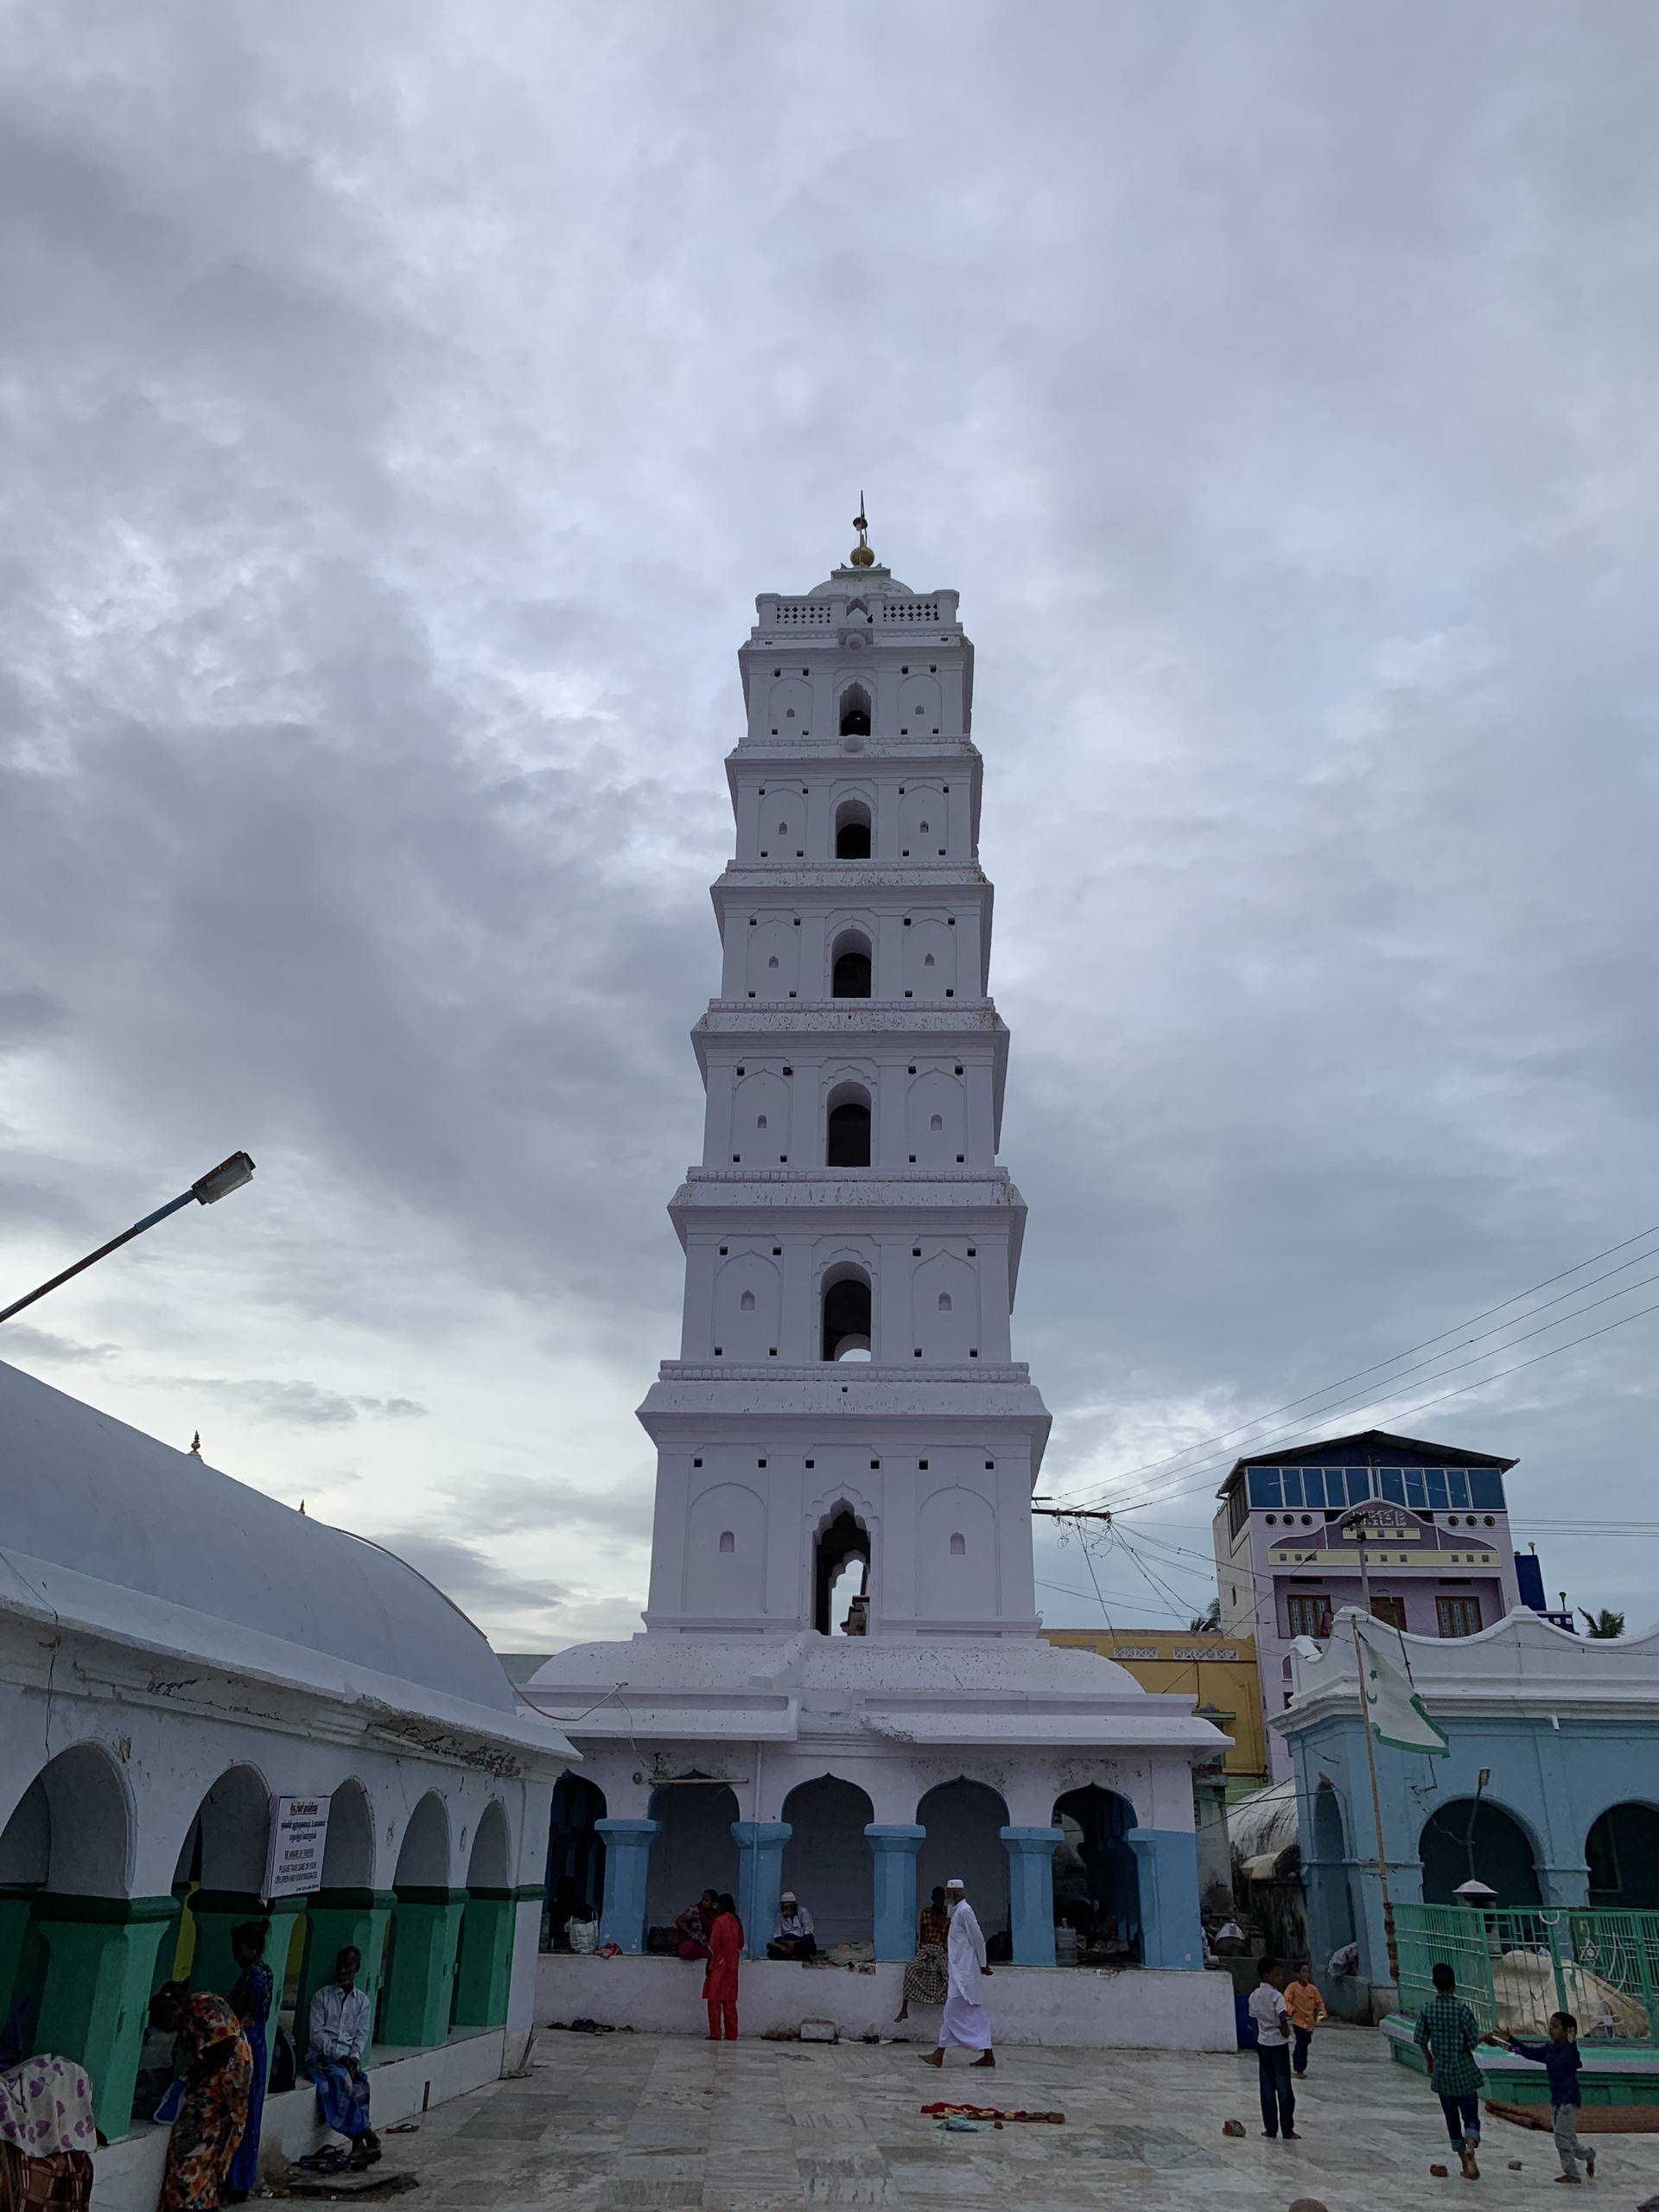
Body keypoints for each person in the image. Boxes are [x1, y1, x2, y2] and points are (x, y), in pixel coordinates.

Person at [148, 1981, 255, 2212]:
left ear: (173, 2010)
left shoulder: (202, 2005)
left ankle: (193, 2200)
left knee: (197, 2139)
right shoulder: (188, 2018)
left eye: (166, 2024)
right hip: (219, 2082)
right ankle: (201, 2200)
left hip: (227, 2081)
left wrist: (196, 2076)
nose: (168, 2031)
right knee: (205, 2141)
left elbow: (226, 2043)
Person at [1414, 1961, 1502, 2181]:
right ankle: (1472, 2143)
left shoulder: (1427, 2010)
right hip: (1464, 2072)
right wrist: (1485, 2037)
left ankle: (1465, 2162)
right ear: (1454, 1985)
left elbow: (1420, 2039)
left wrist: (1429, 2059)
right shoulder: (1462, 2010)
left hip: (1443, 2074)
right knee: (1471, 2116)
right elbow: (1472, 2041)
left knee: (1452, 2119)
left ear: (1435, 1984)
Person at [306, 1947, 380, 2165]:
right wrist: (340, 2057)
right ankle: (362, 2134)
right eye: (341, 1965)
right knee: (340, 2079)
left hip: (348, 2058)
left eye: (349, 1966)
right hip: (322, 2056)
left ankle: (359, 2142)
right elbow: (316, 2034)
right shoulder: (322, 1997)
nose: (343, 1970)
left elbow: (361, 2035)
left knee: (361, 2083)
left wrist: (354, 2058)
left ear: (357, 1968)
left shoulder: (362, 2002)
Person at [1500, 2012, 1593, 2184]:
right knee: (1569, 2138)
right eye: (1551, 2026)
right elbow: (1529, 2052)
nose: (1551, 2029)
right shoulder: (1549, 2050)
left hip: (1570, 2101)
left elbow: (1573, 2060)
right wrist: (1511, 2040)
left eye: (1556, 2026)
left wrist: (1572, 2044)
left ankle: (1572, 2174)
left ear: (1568, 2031)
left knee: (1560, 2137)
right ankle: (1588, 2154)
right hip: (1556, 2101)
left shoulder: (1570, 2051)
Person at [223, 1920, 273, 2202]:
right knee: (250, 2115)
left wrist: (242, 2017)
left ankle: (236, 2182)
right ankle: (241, 2179)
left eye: (239, 1949)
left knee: (241, 2115)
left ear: (251, 1949)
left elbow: (256, 1994)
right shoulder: (264, 1970)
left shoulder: (254, 1976)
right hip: (257, 2048)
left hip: (247, 2050)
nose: (235, 1954)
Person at [921, 1878, 994, 2069]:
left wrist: (983, 1963)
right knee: (967, 2014)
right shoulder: (956, 1911)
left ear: (953, 1893)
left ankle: (939, 2054)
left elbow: (978, 1938)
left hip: (965, 1972)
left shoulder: (965, 1911)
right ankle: (986, 2054)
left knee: (951, 2011)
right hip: (958, 1970)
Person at [1248, 1958, 1298, 2140]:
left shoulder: (1254, 1995)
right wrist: (1285, 2032)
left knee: (1267, 2086)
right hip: (1278, 2044)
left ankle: (1270, 2129)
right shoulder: (1277, 1996)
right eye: (1276, 1975)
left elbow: (1253, 2019)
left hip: (1263, 2043)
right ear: (1266, 1975)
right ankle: (1287, 2130)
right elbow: (1282, 2016)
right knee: (1284, 2087)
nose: (1280, 1979)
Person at [895, 1887, 950, 2023]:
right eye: (936, 1898)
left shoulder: (948, 1914)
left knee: (949, 1976)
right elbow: (923, 1933)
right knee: (910, 1968)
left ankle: (954, 2010)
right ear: (932, 1899)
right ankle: (904, 2009)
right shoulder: (925, 1912)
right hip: (926, 1949)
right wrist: (924, 1949)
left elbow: (951, 1934)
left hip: (941, 1950)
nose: (939, 1901)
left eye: (941, 1898)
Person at [703, 1892, 742, 2041]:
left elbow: (713, 1944)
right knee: (730, 2001)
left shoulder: (719, 1921)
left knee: (714, 1999)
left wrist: (709, 1963)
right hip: (733, 1965)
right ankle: (732, 2034)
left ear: (723, 1906)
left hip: (719, 1964)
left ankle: (715, 2033)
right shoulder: (737, 1921)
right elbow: (740, 1943)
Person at [1284, 1960, 1327, 2079]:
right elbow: (1287, 2000)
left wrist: (1322, 2013)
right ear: (1297, 1974)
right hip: (1298, 2021)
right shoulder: (1292, 1987)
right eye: (1303, 1972)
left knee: (1305, 2043)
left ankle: (1297, 2058)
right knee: (1302, 2044)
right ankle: (1300, 2068)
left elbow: (1319, 2003)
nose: (1306, 1975)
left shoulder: (1312, 1989)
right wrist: (1291, 2010)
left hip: (1309, 2022)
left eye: (1307, 1972)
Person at [767, 1892, 817, 1961]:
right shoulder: (780, 1917)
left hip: (801, 1942)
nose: (786, 1908)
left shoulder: (803, 1913)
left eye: (788, 1905)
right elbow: (777, 1936)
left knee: (804, 1947)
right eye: (783, 1905)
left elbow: (809, 1934)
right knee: (772, 1953)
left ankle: (795, 1954)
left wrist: (794, 1943)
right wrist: (787, 1943)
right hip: (786, 1944)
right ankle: (794, 1955)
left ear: (793, 1905)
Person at [677, 1891, 719, 1961]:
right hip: (693, 1944)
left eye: (707, 1900)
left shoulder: (715, 1914)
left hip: (707, 1945)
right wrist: (690, 1933)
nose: (703, 1902)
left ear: (713, 1902)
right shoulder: (695, 1910)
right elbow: (678, 1921)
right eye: (703, 1899)